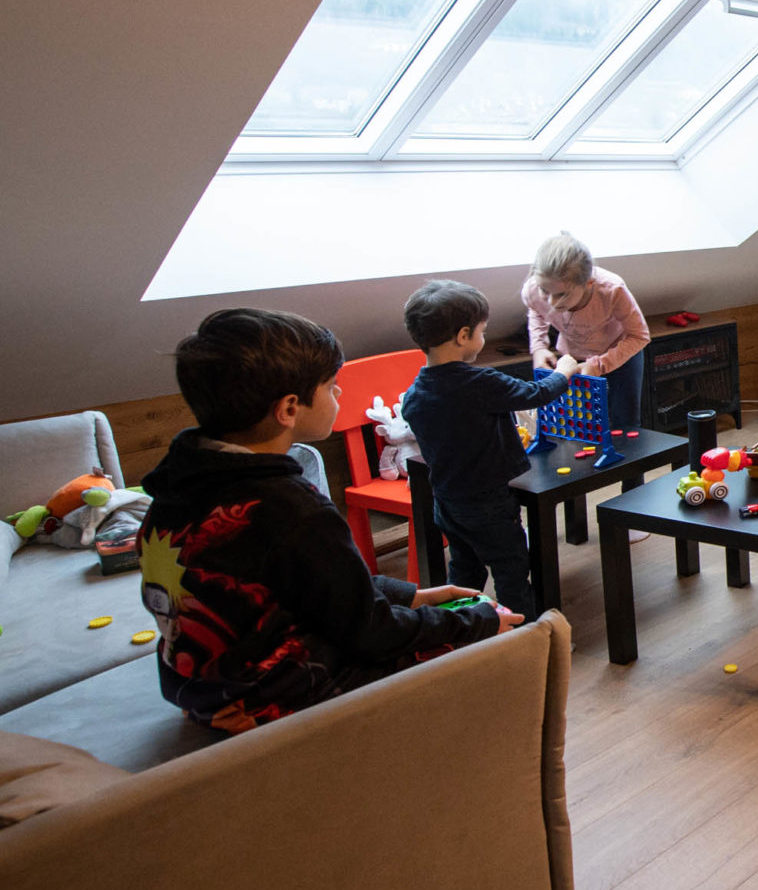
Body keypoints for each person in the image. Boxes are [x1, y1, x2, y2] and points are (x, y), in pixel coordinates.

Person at [138, 308, 515, 735]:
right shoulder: (293, 509)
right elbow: (370, 632)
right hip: (267, 693)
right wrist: (478, 622)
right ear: (289, 408)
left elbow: (318, 585)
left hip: (195, 688)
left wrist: (413, 596)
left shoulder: (175, 488)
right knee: (487, 635)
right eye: (332, 388)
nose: (338, 395)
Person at [402, 280, 579, 617]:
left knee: (464, 570)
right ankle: (524, 636)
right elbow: (535, 394)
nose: (483, 339)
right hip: (489, 503)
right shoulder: (480, 384)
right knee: (511, 569)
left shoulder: (415, 394)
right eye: (482, 332)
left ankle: (463, 630)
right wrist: (564, 372)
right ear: (463, 336)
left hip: (448, 502)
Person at [522, 232, 651, 432]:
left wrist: (599, 365)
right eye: (544, 291)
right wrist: (538, 347)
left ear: (588, 283)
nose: (551, 303)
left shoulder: (611, 289)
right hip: (573, 358)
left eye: (562, 295)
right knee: (580, 422)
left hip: (621, 355)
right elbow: (536, 309)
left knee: (625, 424)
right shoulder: (533, 289)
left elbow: (639, 336)